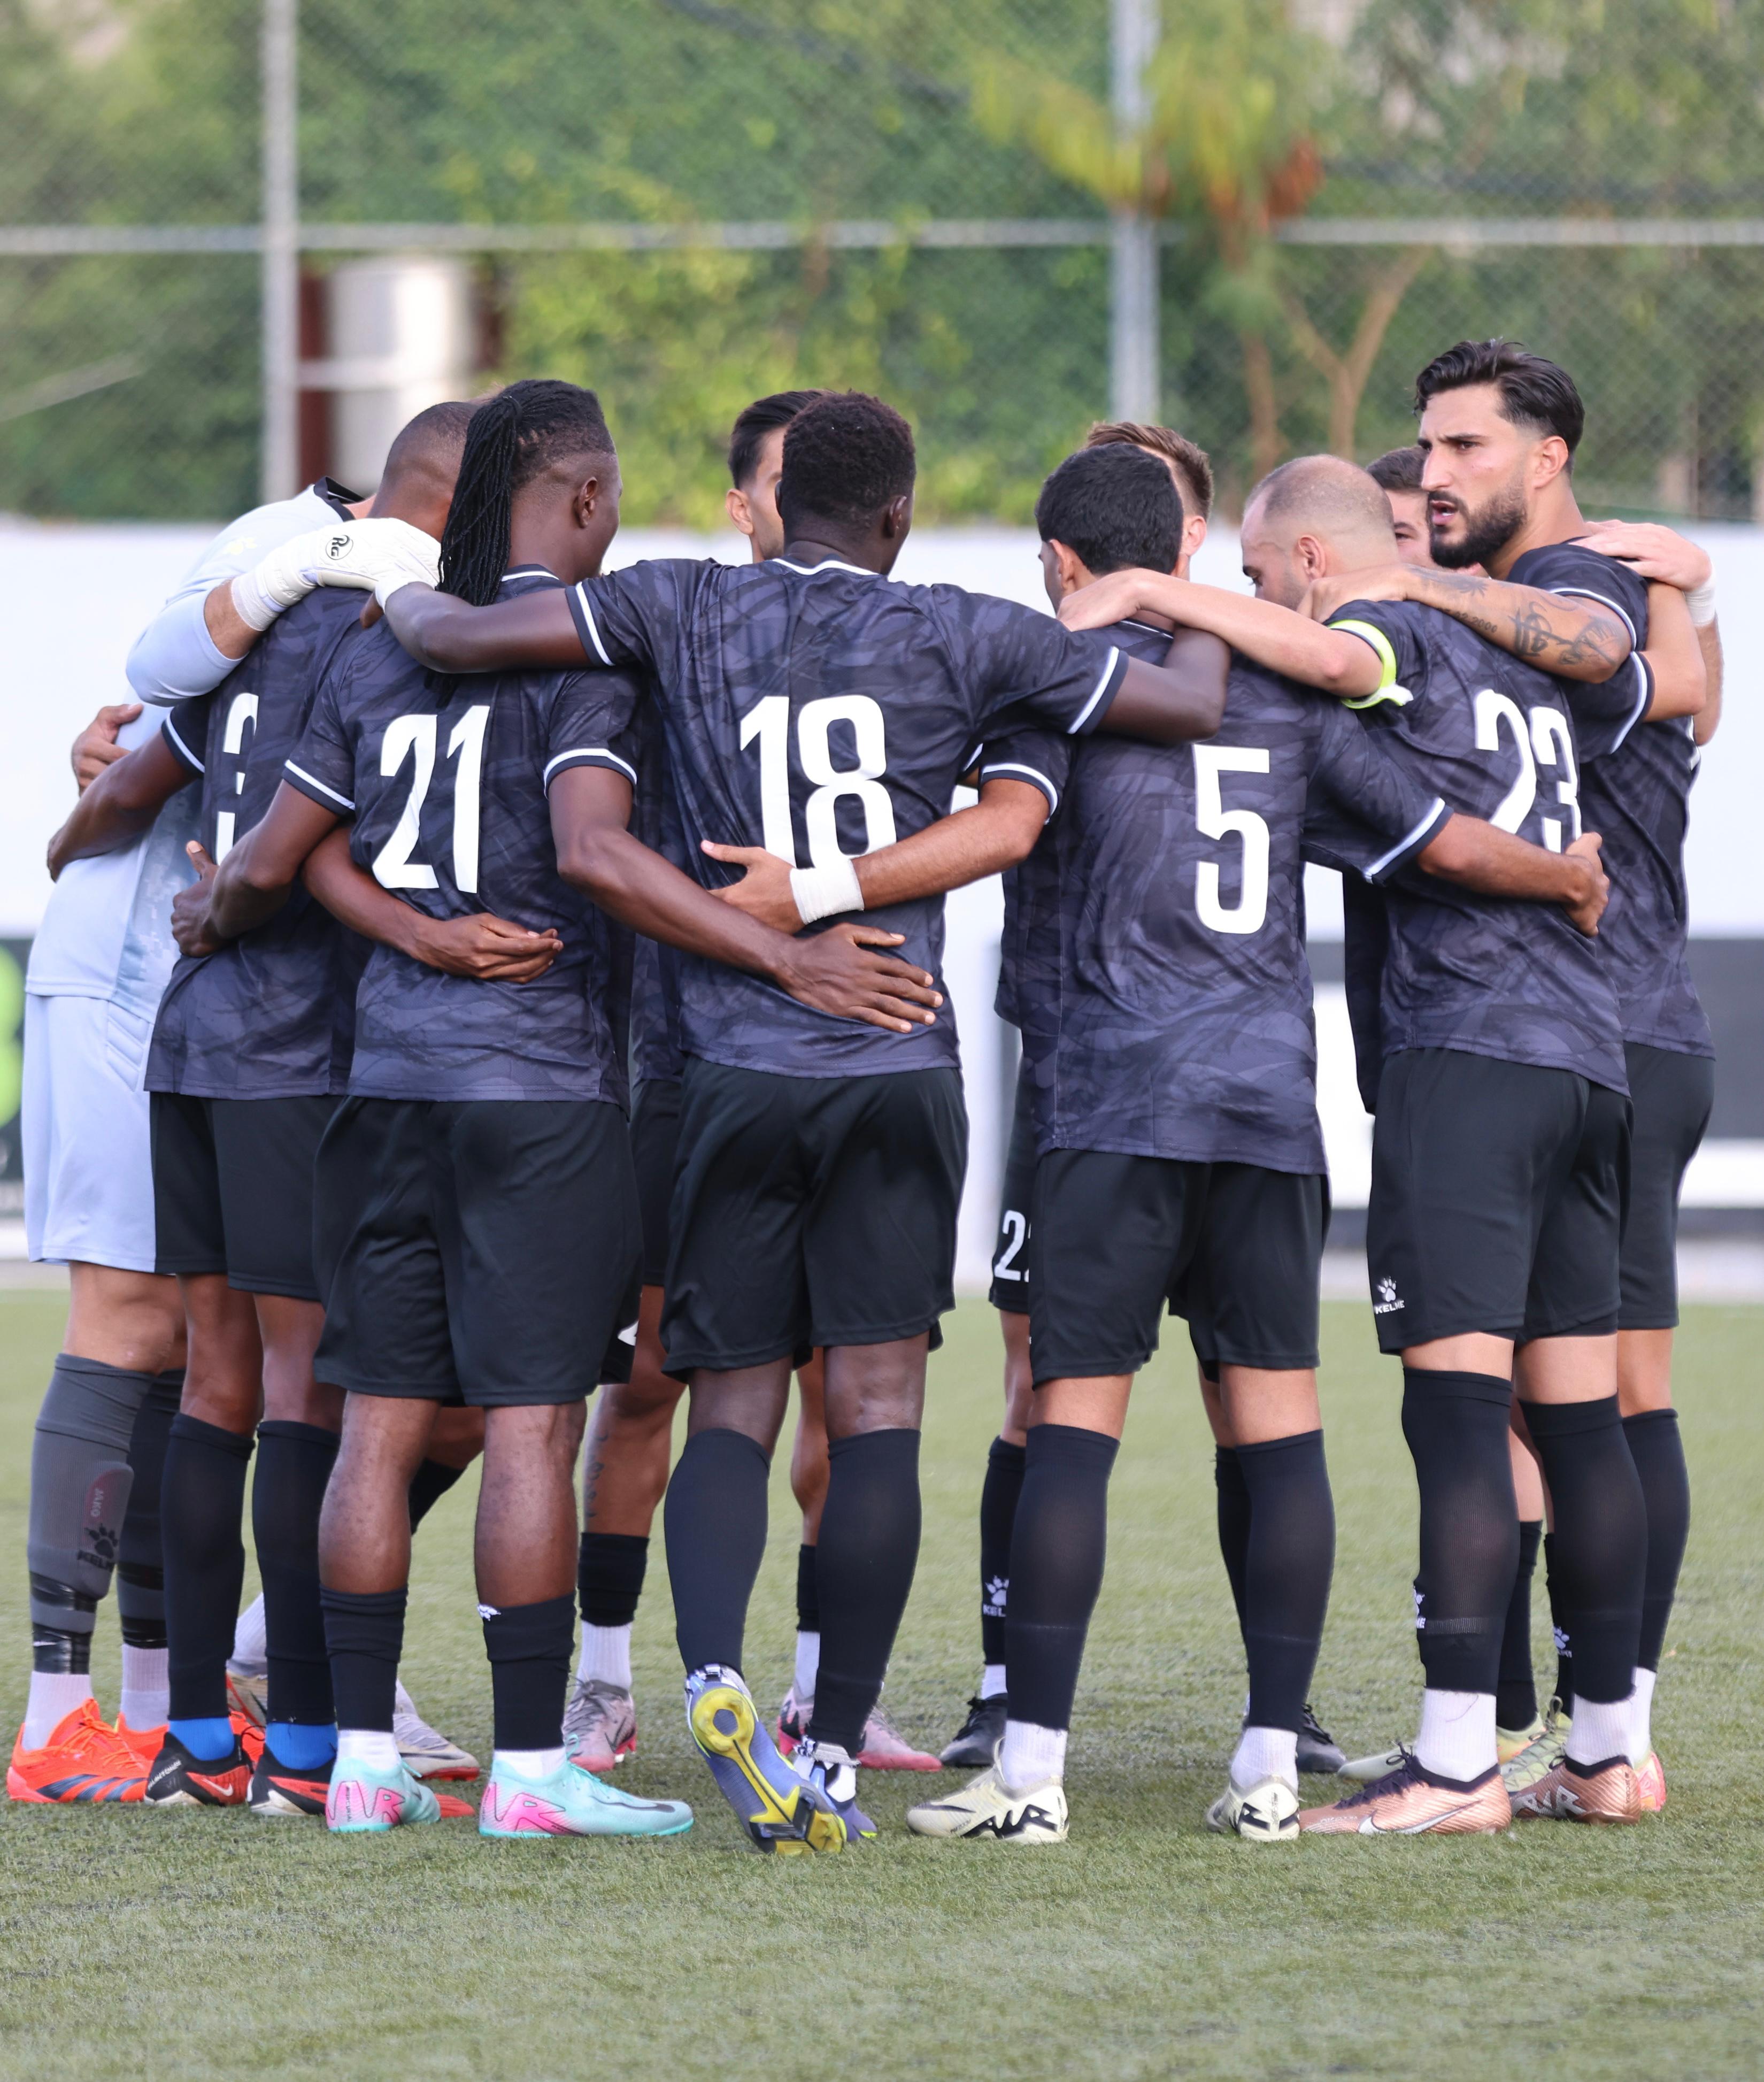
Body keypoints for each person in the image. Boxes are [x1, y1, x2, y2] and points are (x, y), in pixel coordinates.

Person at [366, 386, 1232, 1849]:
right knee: (880, 1406)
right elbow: (1191, 699)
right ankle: (826, 1739)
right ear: (898, 515)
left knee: (731, 1401)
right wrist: (1170, 584)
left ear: (772, 497)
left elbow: (453, 636)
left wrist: (366, 572)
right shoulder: (971, 631)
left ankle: (702, 1667)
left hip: (725, 1068)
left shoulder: (676, 604)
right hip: (894, 1056)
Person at [204, 377, 936, 1843]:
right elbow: (600, 856)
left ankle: (354, 1759)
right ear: (589, 501)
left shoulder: (376, 640)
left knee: (374, 1424)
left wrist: (403, 936)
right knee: (534, 1426)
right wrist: (786, 951)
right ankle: (532, 1767)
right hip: (536, 1093)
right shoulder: (588, 662)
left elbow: (289, 857)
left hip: (383, 1084)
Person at [896, 445, 1607, 1847]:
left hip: (1111, 1102)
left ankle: (1028, 1770)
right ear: (1191, 544)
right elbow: (1438, 836)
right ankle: (1272, 1763)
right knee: (1277, 1433)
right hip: (1269, 1115)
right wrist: (1565, 871)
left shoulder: (1061, 674)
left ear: (1058, 563)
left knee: (1069, 1429)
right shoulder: (1283, 684)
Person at [1309, 343, 1717, 1808]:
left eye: (1463, 451)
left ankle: (1483, 1740)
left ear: (1544, 459)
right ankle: (1599, 1734)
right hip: (1604, 1038)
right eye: (1423, 461)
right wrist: (1690, 587)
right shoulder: (1573, 601)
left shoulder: (1547, 604)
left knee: (1566, 1402)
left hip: (1566, 1025)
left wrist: (1415, 593)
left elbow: (1637, 667)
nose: (1433, 480)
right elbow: (1688, 686)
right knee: (1588, 1407)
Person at [8, 467, 436, 1803]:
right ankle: (58, 1714)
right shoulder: (307, 546)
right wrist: (82, 828)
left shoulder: (383, 588)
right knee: (139, 1327)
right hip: (149, 973)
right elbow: (155, 683)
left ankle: (167, 1709)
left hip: (200, 984)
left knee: (210, 1361)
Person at [566, 390, 938, 1779]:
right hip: (687, 1061)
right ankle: (605, 1679)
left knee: (842, 1392)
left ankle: (806, 1687)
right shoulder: (675, 629)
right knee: (660, 1378)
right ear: (744, 505)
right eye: (773, 484)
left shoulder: (871, 646)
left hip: (806, 1062)